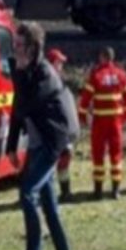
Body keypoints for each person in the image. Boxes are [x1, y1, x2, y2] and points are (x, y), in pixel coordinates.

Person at [5, 22, 78, 250]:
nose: (15, 51)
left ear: (33, 48)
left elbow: (25, 105)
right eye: (13, 45)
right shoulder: (26, 72)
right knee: (49, 206)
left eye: (19, 46)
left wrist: (17, 73)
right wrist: (11, 146)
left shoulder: (44, 74)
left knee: (27, 192)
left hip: (52, 143)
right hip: (38, 143)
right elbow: (17, 109)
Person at [78, 47, 126, 200]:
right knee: (116, 154)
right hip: (116, 122)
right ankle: (116, 190)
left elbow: (85, 100)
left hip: (100, 122)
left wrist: (83, 116)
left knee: (98, 154)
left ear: (102, 57)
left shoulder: (96, 75)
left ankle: (98, 191)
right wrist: (124, 117)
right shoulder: (122, 75)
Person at [46, 48, 76, 202]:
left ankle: (65, 192)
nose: (62, 66)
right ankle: (50, 193)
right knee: (51, 163)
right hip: (56, 130)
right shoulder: (50, 81)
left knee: (65, 159)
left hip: (63, 130)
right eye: (60, 62)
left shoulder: (57, 80)